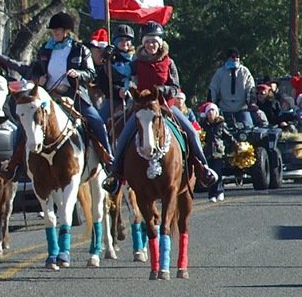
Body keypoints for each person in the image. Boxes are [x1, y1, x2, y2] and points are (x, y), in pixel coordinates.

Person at [102, 22, 219, 192]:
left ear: (160, 43)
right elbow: (120, 73)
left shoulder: (169, 62)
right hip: (142, 108)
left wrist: (161, 90)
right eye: (147, 41)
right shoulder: (137, 62)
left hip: (165, 107)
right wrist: (108, 60)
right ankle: (115, 175)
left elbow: (175, 87)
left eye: (154, 42)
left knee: (191, 132)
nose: (151, 45)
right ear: (143, 43)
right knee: (124, 137)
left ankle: (204, 168)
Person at [0, 11, 115, 165]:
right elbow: (36, 69)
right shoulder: (45, 49)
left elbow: (90, 74)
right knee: (24, 123)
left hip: (75, 95)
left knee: (97, 122)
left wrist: (78, 74)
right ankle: (14, 165)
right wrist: (39, 78)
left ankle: (109, 160)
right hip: (48, 95)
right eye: (53, 30)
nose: (55, 32)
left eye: (58, 29)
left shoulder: (80, 49)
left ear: (66, 31)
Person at [207, 47, 256, 128]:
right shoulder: (220, 72)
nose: (235, 59)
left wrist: (252, 102)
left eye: (237, 57)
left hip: (242, 109)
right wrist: (210, 105)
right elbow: (213, 89)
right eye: (233, 57)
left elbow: (250, 88)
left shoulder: (244, 72)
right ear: (228, 58)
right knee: (220, 129)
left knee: (249, 128)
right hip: (224, 109)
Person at [197, 102, 232, 202]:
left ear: (216, 113)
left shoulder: (221, 124)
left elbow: (228, 136)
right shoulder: (203, 125)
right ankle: (211, 194)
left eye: (213, 111)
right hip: (207, 154)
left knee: (218, 174)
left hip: (218, 153)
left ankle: (220, 191)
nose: (211, 113)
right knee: (210, 175)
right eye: (209, 111)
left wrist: (236, 145)